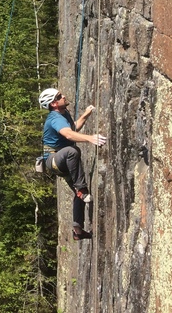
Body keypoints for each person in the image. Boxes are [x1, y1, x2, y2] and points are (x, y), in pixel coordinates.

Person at [39, 88, 106, 240]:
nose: (63, 95)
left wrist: (86, 115)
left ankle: (78, 230)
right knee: (72, 151)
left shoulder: (63, 113)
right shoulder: (55, 118)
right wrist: (90, 138)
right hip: (54, 159)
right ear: (54, 103)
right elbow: (68, 134)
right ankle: (81, 189)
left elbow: (72, 128)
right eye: (59, 96)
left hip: (62, 160)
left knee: (79, 193)